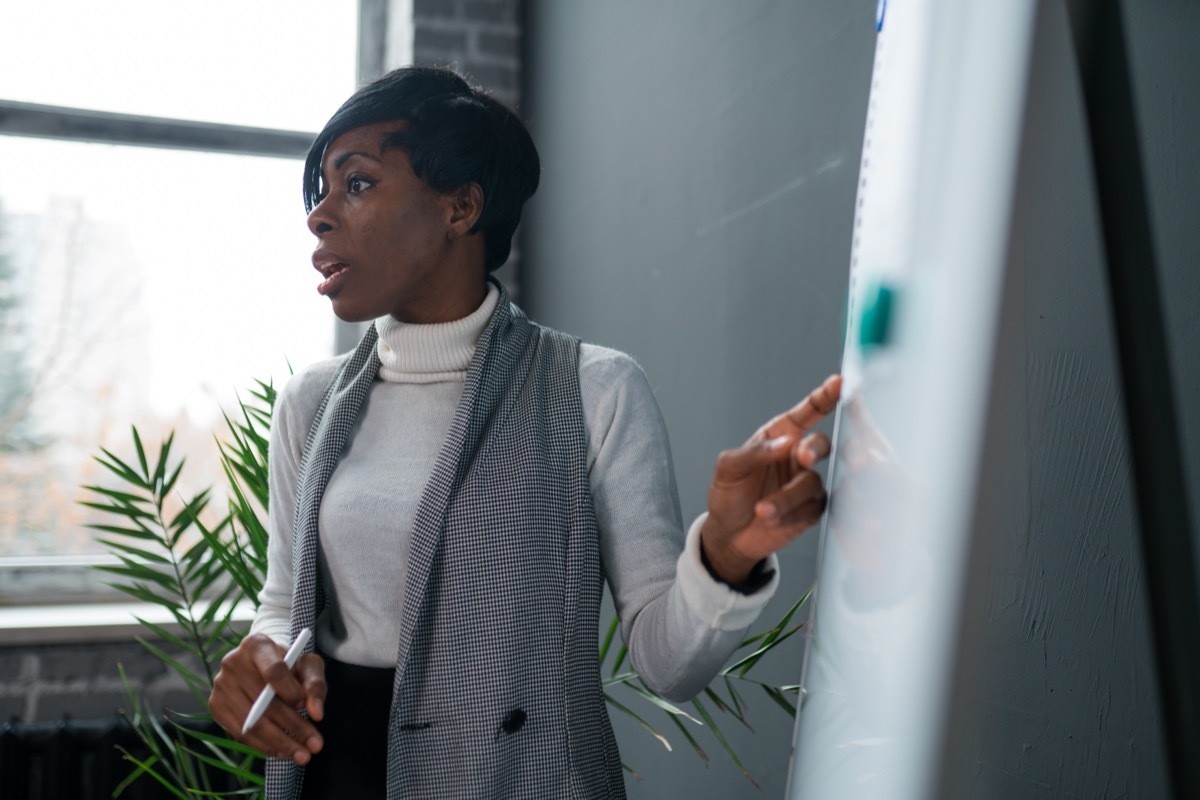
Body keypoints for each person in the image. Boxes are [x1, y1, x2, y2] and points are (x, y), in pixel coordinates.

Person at [208, 66, 841, 800]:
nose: (320, 215)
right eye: (320, 191)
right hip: (334, 774)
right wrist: (261, 659)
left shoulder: (594, 389)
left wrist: (725, 554)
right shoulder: (310, 402)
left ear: (461, 207)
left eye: (356, 184)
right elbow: (284, 606)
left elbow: (670, 665)